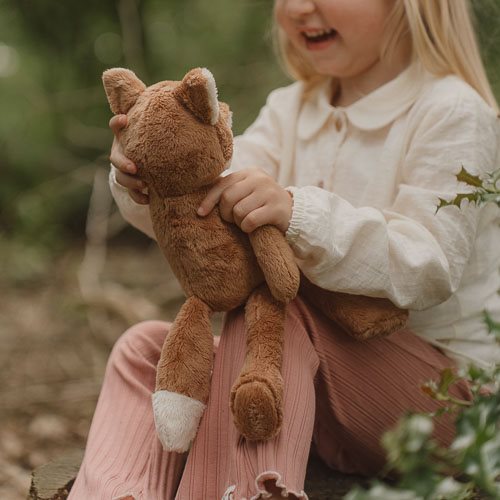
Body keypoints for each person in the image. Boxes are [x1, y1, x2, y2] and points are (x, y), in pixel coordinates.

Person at [69, 0, 500, 498]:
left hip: (450, 404)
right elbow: (209, 203)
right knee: (144, 350)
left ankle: (242, 491)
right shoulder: (290, 109)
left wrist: (297, 213)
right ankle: (115, 492)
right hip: (325, 392)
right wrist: (152, 176)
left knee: (283, 304)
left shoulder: (454, 111)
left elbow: (429, 264)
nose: (298, 6)